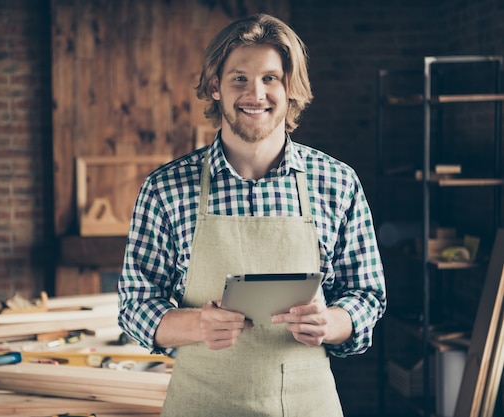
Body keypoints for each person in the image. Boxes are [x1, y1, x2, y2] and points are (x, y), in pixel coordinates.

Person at [118, 13, 386, 417]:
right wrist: (197, 325)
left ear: (289, 87)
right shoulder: (165, 189)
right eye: (239, 78)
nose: (255, 93)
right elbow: (135, 305)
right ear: (215, 87)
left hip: (307, 406)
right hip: (201, 405)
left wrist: (330, 323)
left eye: (270, 78)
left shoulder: (338, 183)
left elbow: (367, 295)